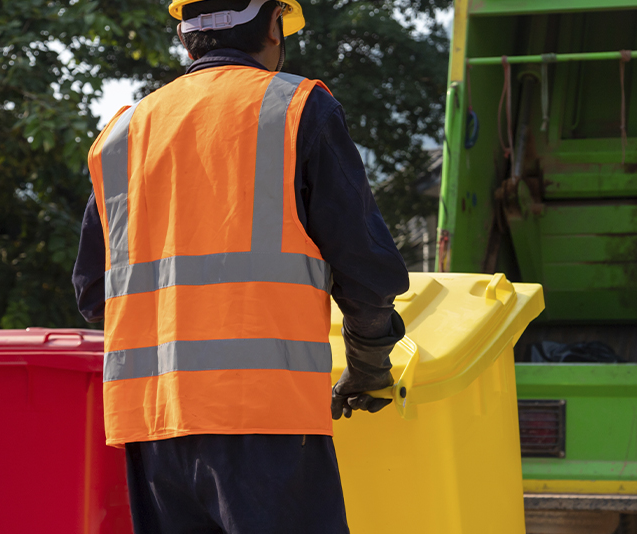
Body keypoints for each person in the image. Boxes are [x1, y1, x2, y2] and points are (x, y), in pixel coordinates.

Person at [71, 0, 410, 531]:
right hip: (266, 418)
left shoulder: (122, 131)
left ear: (186, 39)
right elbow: (366, 269)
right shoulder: (297, 106)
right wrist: (368, 362)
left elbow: (95, 296)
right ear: (273, 26)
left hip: (153, 425)